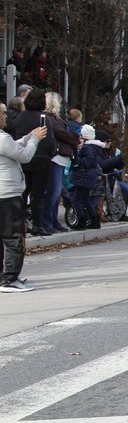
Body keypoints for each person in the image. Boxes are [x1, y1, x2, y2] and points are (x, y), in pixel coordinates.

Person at [0, 102, 46, 292]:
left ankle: (5, 277)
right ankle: (10, 278)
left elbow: (12, 148)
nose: (6, 116)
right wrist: (34, 141)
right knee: (14, 237)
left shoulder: (4, 139)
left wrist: (28, 136)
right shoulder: (2, 138)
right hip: (8, 194)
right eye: (3, 113)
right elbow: (24, 156)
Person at [12, 89, 55, 236]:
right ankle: (37, 225)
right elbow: (49, 141)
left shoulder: (19, 118)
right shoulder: (43, 119)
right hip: (41, 159)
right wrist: (51, 153)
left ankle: (20, 225)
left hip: (23, 158)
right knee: (38, 195)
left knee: (23, 193)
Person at [43, 92, 78, 233]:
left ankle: (53, 221)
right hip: (55, 157)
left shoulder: (55, 118)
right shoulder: (50, 118)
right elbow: (60, 133)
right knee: (53, 192)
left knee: (55, 193)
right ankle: (47, 222)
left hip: (60, 157)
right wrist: (75, 138)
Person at [68, 125, 109, 229]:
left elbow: (88, 162)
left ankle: (82, 220)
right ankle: (94, 220)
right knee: (86, 199)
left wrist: (77, 161)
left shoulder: (88, 148)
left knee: (76, 200)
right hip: (89, 177)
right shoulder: (93, 147)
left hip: (84, 177)